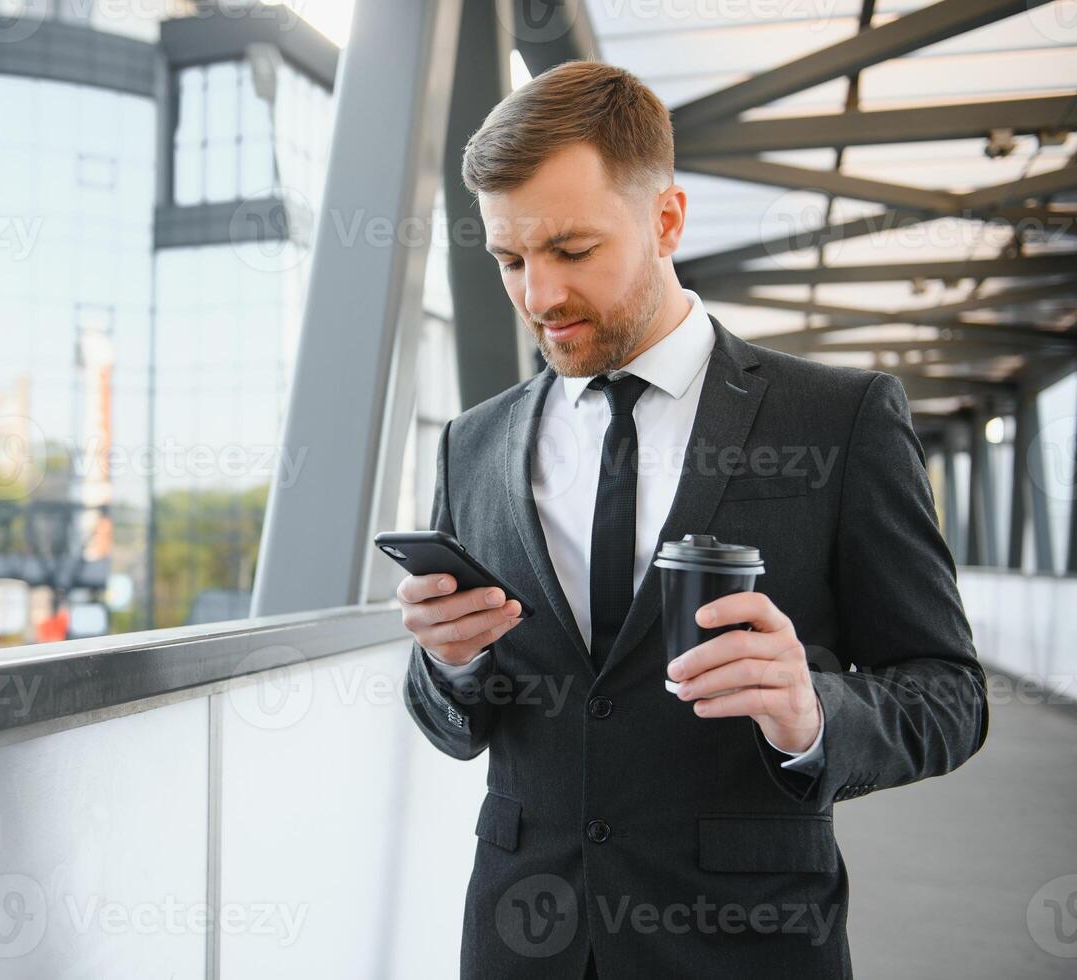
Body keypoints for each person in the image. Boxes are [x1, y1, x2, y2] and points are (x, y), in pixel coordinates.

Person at [398, 60, 989, 980]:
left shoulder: (835, 420)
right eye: (510, 261)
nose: (538, 297)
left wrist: (811, 713)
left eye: (572, 250)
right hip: (522, 939)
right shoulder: (472, 444)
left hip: (746, 944)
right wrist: (451, 661)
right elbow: (452, 726)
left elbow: (949, 695)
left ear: (666, 219)